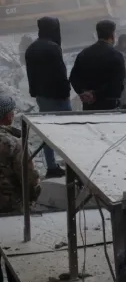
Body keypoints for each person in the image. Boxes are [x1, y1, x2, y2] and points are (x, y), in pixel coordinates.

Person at [0, 95, 40, 282]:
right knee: (14, 252)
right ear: (7, 116)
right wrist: (33, 197)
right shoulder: (14, 143)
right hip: (11, 206)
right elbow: (29, 178)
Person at [24, 16, 68, 178]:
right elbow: (60, 73)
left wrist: (34, 91)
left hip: (42, 96)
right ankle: (72, 165)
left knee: (48, 131)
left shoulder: (31, 48)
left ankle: (51, 165)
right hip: (58, 97)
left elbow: (30, 74)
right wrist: (66, 93)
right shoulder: (53, 48)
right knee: (67, 130)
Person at [70, 20, 126, 111]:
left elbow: (73, 78)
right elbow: (117, 84)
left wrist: (83, 92)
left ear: (98, 33)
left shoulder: (84, 53)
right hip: (109, 106)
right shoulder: (116, 55)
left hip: (89, 106)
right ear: (112, 35)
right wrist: (96, 95)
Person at [116, 34, 126, 106]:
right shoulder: (117, 53)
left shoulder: (124, 53)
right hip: (118, 86)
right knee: (123, 105)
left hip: (122, 85)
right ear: (123, 42)